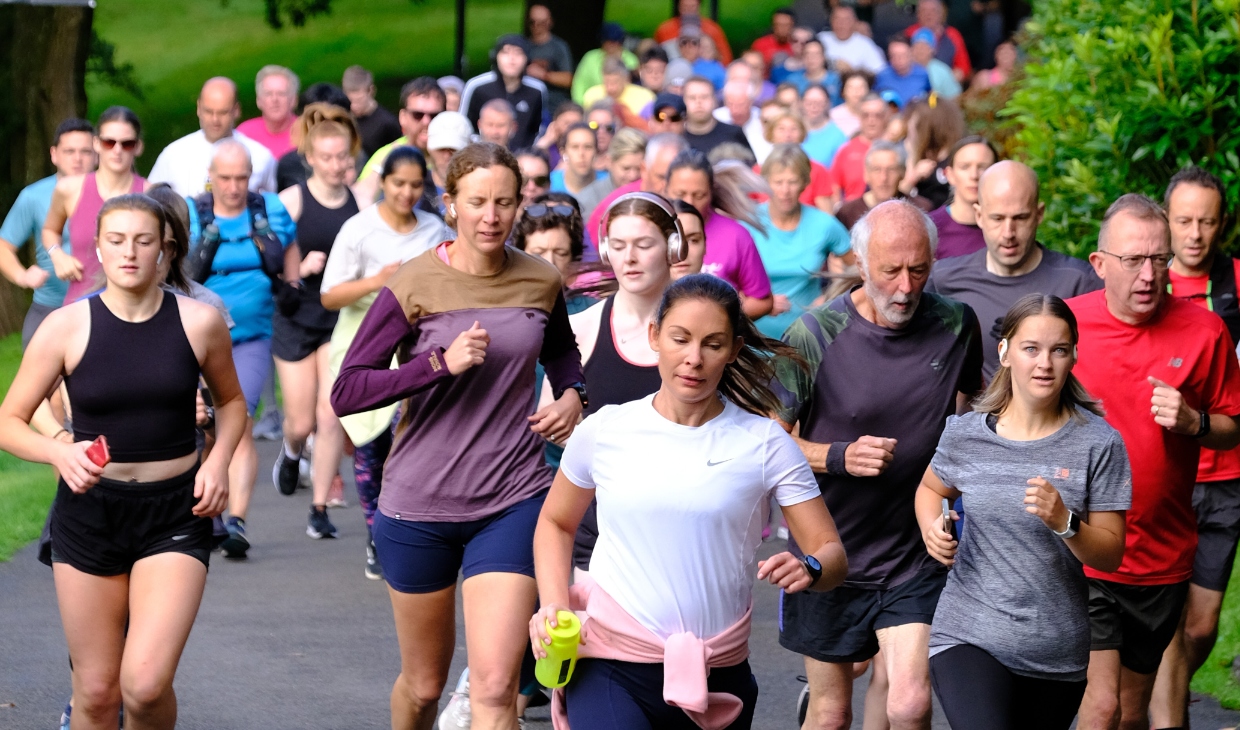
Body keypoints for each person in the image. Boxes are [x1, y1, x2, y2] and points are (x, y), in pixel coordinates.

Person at [330, 142, 585, 730]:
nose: (491, 216)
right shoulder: (414, 282)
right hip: (420, 503)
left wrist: (574, 397)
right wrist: (435, 366)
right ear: (450, 206)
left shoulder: (541, 280)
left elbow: (564, 353)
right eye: (477, 202)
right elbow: (349, 390)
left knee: (495, 689)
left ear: (519, 205)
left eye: (503, 202)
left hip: (512, 498)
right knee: (423, 689)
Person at [532, 272, 848, 730]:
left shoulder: (765, 443)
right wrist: (553, 604)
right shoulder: (604, 430)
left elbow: (832, 554)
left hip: (717, 673)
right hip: (609, 660)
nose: (693, 359)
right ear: (656, 337)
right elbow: (556, 524)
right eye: (680, 339)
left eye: (713, 344)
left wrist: (810, 568)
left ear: (735, 350)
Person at [0, 193, 245, 730]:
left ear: (165, 250)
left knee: (146, 686)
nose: (129, 252)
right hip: (91, 514)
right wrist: (59, 452)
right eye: (116, 241)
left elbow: (231, 403)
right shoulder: (65, 327)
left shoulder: (200, 322)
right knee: (95, 691)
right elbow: (9, 420)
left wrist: (218, 461)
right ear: (98, 250)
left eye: (143, 241)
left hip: (176, 515)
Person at [774, 199, 983, 730]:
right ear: (861, 265)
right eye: (891, 271)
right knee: (831, 712)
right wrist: (838, 457)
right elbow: (768, 445)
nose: (907, 287)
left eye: (919, 269)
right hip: (830, 551)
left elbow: (980, 411)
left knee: (910, 703)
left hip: (913, 553)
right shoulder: (814, 334)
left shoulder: (956, 324)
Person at [918, 293, 1131, 730]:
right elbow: (929, 487)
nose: (1044, 363)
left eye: (1059, 350)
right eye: (1031, 348)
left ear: (1074, 355)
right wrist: (933, 525)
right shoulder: (966, 434)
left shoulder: (1099, 443)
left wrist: (1066, 523)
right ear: (1005, 352)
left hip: (1056, 649)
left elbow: (1110, 554)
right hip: (968, 633)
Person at [1069, 194, 1240, 730]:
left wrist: (1194, 423)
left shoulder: (1205, 331)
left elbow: (1233, 426)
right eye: (1133, 260)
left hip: (1158, 554)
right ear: (1099, 265)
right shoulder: (1065, 328)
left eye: (1159, 260)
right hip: (1080, 548)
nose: (1149, 275)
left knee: (1130, 709)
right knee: (1100, 706)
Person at [320, 146, 450, 580]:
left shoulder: (433, 229)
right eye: (399, 183)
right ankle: (377, 536)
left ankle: (410, 530)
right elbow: (329, 294)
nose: (407, 193)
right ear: (383, 182)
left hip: (417, 344)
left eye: (416, 185)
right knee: (371, 445)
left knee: (409, 439)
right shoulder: (359, 230)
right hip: (364, 341)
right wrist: (377, 282)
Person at [1151, 167, 1240, 729]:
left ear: (1222, 223)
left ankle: (1168, 692)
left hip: (1226, 472)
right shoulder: (1148, 283)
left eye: (1207, 221)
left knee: (1201, 625)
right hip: (1166, 476)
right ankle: (1167, 711)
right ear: (1166, 221)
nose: (1195, 234)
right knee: (1163, 619)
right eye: (1183, 220)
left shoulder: (1234, 281)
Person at [187, 140, 297, 558]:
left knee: (239, 419)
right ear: (211, 177)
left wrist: (293, 286)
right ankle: (209, 512)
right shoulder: (193, 213)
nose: (234, 187)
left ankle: (237, 520)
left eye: (242, 177)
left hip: (253, 334)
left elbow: (288, 252)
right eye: (225, 178)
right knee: (206, 427)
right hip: (199, 338)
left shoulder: (269, 210)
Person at [265, 104, 363, 538]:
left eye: (343, 156)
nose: (336, 165)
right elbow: (267, 259)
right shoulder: (293, 200)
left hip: (338, 319)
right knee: (301, 421)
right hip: (295, 317)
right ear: (310, 159)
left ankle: (319, 508)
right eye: (327, 158)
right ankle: (290, 452)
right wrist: (298, 267)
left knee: (330, 416)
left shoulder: (360, 203)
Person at [927, 161, 1101, 382]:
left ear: (1039, 214)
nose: (1008, 232)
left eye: (1020, 218)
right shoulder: (943, 280)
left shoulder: (1079, 283)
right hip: (975, 414)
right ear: (979, 216)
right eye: (997, 218)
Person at [0, 118, 95, 348]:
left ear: (97, 154)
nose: (77, 158)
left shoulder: (114, 195)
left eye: (85, 151)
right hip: (50, 308)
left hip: (100, 308)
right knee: (43, 384)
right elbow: (3, 247)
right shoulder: (33, 197)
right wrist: (22, 276)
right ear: (54, 154)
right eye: (69, 151)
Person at [43, 107, 148, 306]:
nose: (117, 151)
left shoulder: (151, 195)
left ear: (138, 147)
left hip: (134, 308)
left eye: (127, 144)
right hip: (80, 306)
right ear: (96, 144)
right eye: (109, 142)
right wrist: (57, 255)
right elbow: (49, 229)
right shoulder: (69, 189)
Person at [747, 144, 852, 339]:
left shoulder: (823, 224)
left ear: (805, 183)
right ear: (766, 183)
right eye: (778, 182)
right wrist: (759, 304)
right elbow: (724, 278)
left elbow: (860, 269)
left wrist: (832, 297)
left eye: (792, 182)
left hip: (809, 337)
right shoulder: (748, 222)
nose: (785, 190)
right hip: (754, 340)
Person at [665, 149, 774, 319]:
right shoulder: (652, 232)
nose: (689, 202)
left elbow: (763, 301)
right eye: (680, 194)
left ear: (711, 191)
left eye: (699, 195)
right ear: (665, 190)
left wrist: (719, 321)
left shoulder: (736, 236)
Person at [148, 77, 277, 196]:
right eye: (209, 112)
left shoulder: (260, 156)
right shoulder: (173, 154)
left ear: (236, 110)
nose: (215, 120)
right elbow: (150, 199)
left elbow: (277, 201)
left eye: (223, 112)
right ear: (199, 108)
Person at [355, 77, 448, 208]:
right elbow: (361, 199)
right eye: (418, 115)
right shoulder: (386, 155)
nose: (426, 122)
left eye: (434, 116)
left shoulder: (457, 154)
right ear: (403, 117)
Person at [585, 133, 690, 249]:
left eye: (676, 179)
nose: (669, 186)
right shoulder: (612, 207)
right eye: (662, 177)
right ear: (644, 170)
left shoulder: (693, 200)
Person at [461, 34, 547, 151]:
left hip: (522, 159)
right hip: (481, 155)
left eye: (518, 53)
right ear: (496, 56)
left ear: (527, 59)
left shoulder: (537, 90)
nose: (512, 59)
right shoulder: (477, 86)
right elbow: (463, 125)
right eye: (506, 52)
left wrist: (527, 152)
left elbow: (538, 129)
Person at [835, 140, 934, 230]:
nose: (884, 178)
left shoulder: (921, 209)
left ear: (902, 173)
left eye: (891, 170)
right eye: (877, 170)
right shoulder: (847, 213)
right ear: (866, 174)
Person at [928, 135, 998, 259]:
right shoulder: (930, 228)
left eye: (983, 167)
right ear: (949, 174)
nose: (974, 175)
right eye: (965, 167)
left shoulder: (1006, 229)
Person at [759, 110, 836, 212]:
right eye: (781, 129)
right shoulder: (758, 170)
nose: (787, 134)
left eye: (793, 129)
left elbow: (827, 214)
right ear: (771, 133)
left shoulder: (816, 170)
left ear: (802, 133)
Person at [899, 96, 967, 209]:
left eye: (916, 127)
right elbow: (896, 198)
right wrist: (912, 175)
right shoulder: (910, 156)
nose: (910, 135)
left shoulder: (954, 159)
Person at [829, 94, 893, 202]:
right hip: (853, 215)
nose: (871, 120)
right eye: (865, 115)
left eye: (877, 115)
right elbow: (834, 188)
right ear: (859, 117)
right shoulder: (846, 150)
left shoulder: (895, 151)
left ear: (886, 117)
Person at [577, 128, 647, 221]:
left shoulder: (653, 194)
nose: (633, 176)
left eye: (639, 169)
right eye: (626, 168)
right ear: (609, 162)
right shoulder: (587, 201)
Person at [236, 65, 300, 159]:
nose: (274, 99)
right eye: (268, 94)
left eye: (281, 94)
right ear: (258, 100)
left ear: (294, 100)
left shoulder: (309, 133)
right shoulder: (244, 135)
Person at [681, 76, 751, 158]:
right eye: (692, 98)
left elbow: (752, 167)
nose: (698, 102)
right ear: (683, 101)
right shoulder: (678, 138)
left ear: (714, 100)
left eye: (704, 97)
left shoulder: (733, 133)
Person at [904, 0, 973, 83]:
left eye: (933, 11)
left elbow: (964, 68)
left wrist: (948, 78)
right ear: (918, 14)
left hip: (944, 84)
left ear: (941, 14)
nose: (928, 15)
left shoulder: (953, 35)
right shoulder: (909, 34)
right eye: (924, 11)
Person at [343, 65, 403, 159]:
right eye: (350, 101)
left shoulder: (387, 123)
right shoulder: (344, 118)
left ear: (371, 90)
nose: (353, 106)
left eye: (359, 100)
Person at [572, 23, 640, 105]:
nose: (612, 44)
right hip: (591, 105)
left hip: (625, 105)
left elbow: (635, 87)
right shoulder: (590, 58)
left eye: (616, 41)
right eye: (609, 41)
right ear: (602, 41)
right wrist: (580, 105)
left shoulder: (631, 60)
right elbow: (579, 84)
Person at [525, 3, 575, 112]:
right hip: (526, 101)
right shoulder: (523, 46)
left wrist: (544, 75)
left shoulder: (559, 47)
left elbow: (568, 79)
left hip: (552, 103)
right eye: (532, 22)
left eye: (541, 23)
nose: (536, 26)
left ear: (549, 22)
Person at [424, 111, 474, 216]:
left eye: (453, 150)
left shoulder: (479, 189)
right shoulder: (415, 187)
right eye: (441, 149)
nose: (447, 156)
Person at [654, 0, 734, 64]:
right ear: (678, 7)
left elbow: (726, 60)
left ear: (699, 6)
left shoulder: (713, 29)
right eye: (685, 7)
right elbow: (655, 57)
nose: (689, 10)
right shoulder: (665, 30)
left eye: (692, 7)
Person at [818, 4, 888, 75]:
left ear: (854, 22)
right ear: (831, 21)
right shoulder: (821, 39)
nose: (841, 24)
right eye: (837, 19)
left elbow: (880, 72)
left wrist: (852, 71)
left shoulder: (865, 44)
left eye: (846, 20)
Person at [715, 77, 773, 164]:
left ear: (751, 102)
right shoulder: (716, 118)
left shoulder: (762, 119)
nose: (735, 110)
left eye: (740, 105)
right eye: (730, 104)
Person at [582, 57, 656, 120]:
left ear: (626, 80)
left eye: (615, 82)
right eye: (607, 82)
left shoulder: (645, 97)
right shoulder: (591, 95)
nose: (611, 88)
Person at [875, 37, 931, 110]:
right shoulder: (882, 76)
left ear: (910, 54)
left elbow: (930, 96)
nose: (898, 59)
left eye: (902, 55)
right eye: (893, 55)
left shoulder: (922, 74)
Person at [549, 123, 604, 196]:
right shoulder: (549, 183)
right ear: (563, 152)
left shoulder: (608, 182)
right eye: (575, 147)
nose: (581, 153)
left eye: (588, 147)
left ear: (596, 152)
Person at [800, 85, 849, 168]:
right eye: (809, 103)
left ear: (827, 104)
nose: (813, 107)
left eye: (819, 103)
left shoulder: (838, 136)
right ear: (801, 103)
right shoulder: (793, 131)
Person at [782, 39, 840, 104]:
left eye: (816, 54)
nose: (811, 58)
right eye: (807, 54)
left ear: (824, 57)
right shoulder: (792, 81)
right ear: (803, 57)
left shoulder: (836, 80)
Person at [910, 31, 961, 100]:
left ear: (933, 49)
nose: (920, 51)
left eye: (924, 47)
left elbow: (954, 97)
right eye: (917, 46)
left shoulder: (942, 70)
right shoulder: (904, 68)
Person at [675, 24, 727, 92]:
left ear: (700, 47)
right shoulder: (673, 66)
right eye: (684, 42)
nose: (688, 47)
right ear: (678, 46)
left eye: (694, 43)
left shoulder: (714, 68)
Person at [751, 7, 798, 73]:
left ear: (792, 25)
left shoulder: (797, 45)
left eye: (785, 25)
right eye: (778, 25)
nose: (781, 29)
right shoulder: (760, 44)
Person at [830, 70, 875, 139]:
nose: (857, 91)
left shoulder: (875, 115)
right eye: (851, 88)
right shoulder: (832, 116)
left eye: (861, 87)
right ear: (843, 92)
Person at [671, 199, 707, 280]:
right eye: (672, 240)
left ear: (705, 245)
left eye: (693, 240)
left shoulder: (722, 292)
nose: (682, 251)